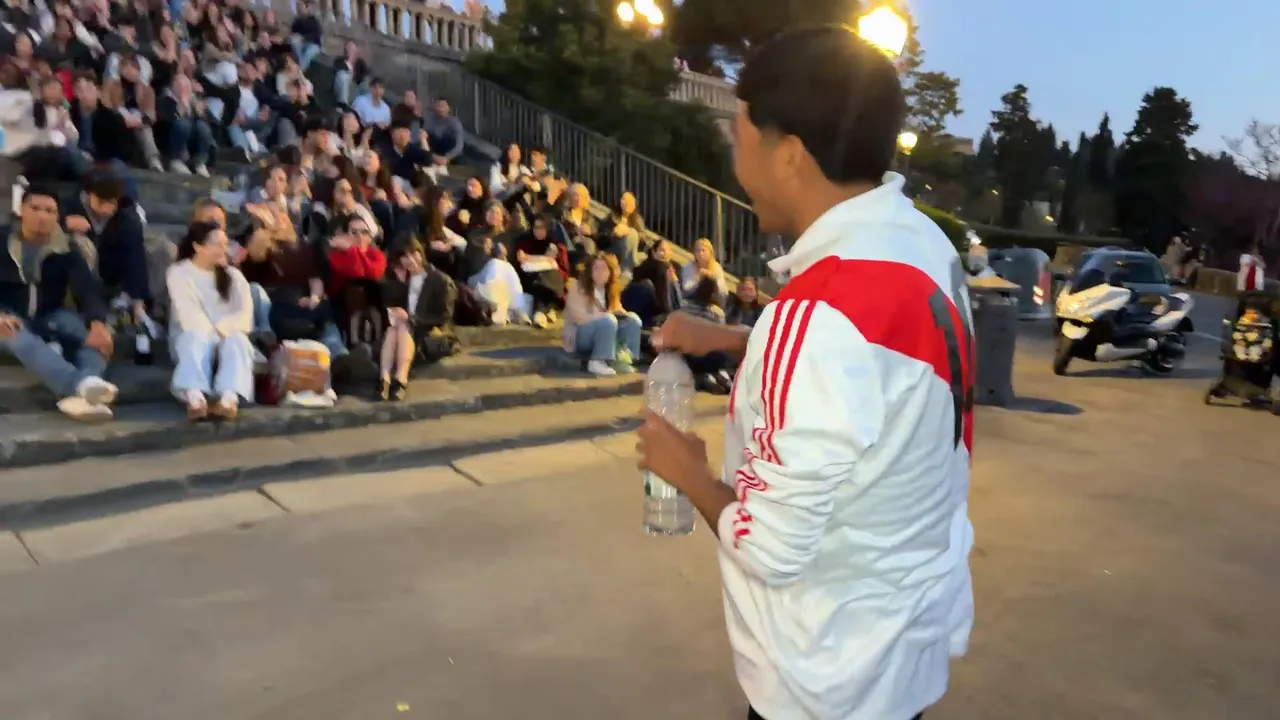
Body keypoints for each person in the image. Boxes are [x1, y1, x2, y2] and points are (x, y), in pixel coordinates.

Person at [635, 26, 974, 720]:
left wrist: (688, 473)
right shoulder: (923, 247)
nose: (735, 159)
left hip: (821, 678)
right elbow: (873, 367)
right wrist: (740, 339)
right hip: (901, 645)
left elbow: (770, 547)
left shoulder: (819, 312)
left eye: (739, 137)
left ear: (788, 154)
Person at [0, 185, 118, 421]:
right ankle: (81, 385)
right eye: (35, 208)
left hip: (49, 314)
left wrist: (97, 323)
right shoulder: (2, 241)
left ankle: (82, 396)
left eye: (49, 211)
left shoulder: (66, 248)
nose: (42, 216)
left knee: (96, 335)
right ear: (21, 209)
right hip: (7, 316)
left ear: (57, 216)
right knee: (15, 333)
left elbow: (87, 289)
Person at [166, 221, 255, 420]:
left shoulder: (233, 276)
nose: (224, 249)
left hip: (226, 337)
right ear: (198, 246)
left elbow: (245, 315)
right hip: (191, 337)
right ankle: (195, 398)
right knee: (194, 338)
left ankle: (228, 399)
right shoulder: (179, 273)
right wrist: (214, 337)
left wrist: (223, 330)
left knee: (239, 340)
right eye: (217, 244)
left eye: (226, 244)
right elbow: (189, 316)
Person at [379, 239, 456, 400]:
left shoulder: (440, 279)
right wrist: (400, 283)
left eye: (414, 254)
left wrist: (413, 319)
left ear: (421, 254)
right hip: (405, 331)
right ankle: (385, 378)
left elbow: (444, 316)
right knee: (393, 329)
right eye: (404, 256)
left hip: (432, 332)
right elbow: (390, 303)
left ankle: (400, 378)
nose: (410, 260)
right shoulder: (404, 280)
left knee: (402, 326)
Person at [562, 252, 640, 376]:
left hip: (606, 328)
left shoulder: (611, 289)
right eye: (596, 268)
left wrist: (622, 316)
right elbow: (578, 317)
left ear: (610, 272)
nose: (600, 272)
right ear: (589, 271)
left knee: (633, 320)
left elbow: (618, 310)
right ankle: (597, 361)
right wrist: (604, 316)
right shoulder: (578, 287)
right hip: (580, 336)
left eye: (604, 269)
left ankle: (627, 359)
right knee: (608, 320)